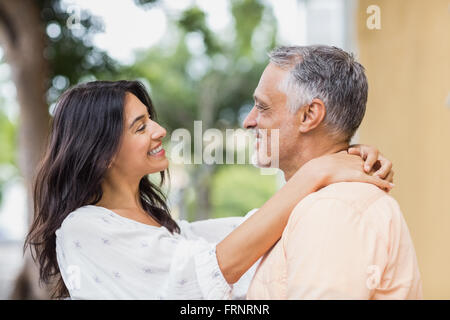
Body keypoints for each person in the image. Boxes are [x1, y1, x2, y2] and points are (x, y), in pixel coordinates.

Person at [25, 80, 393, 299]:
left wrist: (339, 155)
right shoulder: (82, 228)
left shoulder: (166, 228)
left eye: (150, 118)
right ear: (101, 153)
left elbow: (250, 234)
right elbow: (203, 272)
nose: (159, 130)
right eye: (140, 127)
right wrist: (316, 172)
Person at [244, 45, 422, 299]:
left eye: (262, 107)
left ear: (309, 115)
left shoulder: (332, 208)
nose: (248, 121)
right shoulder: (316, 204)